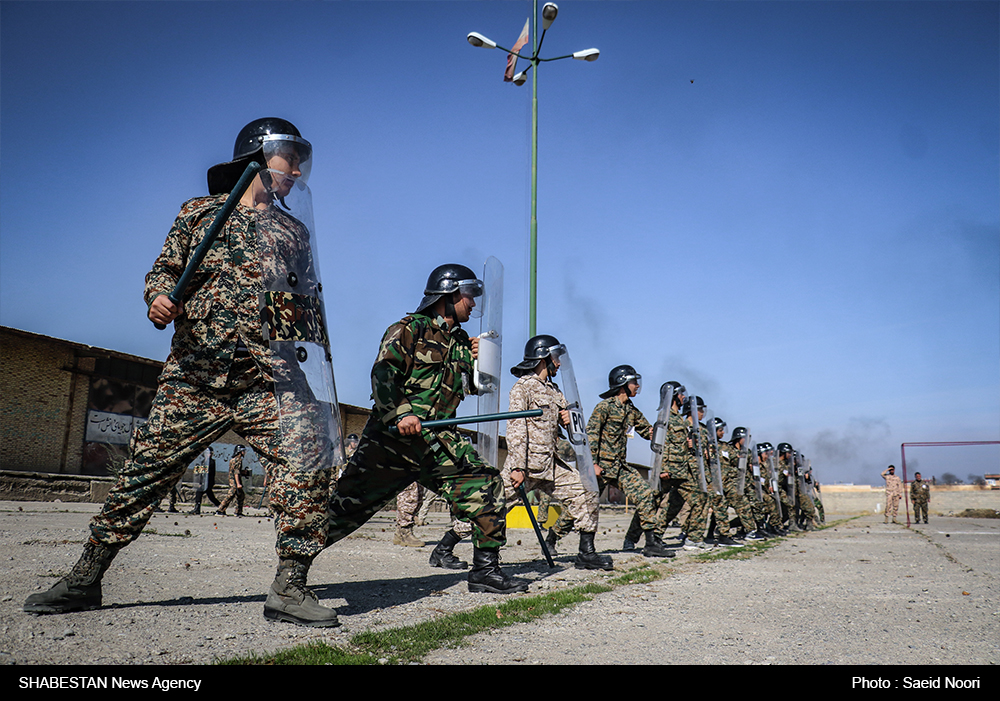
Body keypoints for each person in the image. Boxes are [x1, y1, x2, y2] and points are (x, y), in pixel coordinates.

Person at [24, 118, 341, 628]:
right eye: (290, 157)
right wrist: (157, 299)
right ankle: (84, 579)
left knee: (309, 463)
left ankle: (290, 587)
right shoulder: (199, 215)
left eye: (302, 159)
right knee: (142, 477)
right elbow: (164, 271)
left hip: (267, 379)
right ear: (259, 158)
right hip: (196, 376)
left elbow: (300, 299)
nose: (298, 169)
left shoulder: (292, 230)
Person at [326, 263, 527, 595]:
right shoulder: (409, 329)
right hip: (393, 440)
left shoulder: (462, 342)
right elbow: (383, 374)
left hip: (438, 440)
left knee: (487, 483)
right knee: (342, 511)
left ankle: (485, 572)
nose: (473, 304)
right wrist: (401, 413)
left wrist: (481, 361)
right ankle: (292, 572)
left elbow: (474, 387)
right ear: (448, 295)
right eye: (468, 296)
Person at [504, 335, 612, 570]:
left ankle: (586, 553)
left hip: (551, 465)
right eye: (555, 358)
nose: (559, 364)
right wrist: (516, 467)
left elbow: (575, 422)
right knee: (488, 508)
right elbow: (515, 429)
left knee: (587, 489)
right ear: (543, 359)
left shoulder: (554, 391)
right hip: (526, 466)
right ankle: (446, 547)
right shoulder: (522, 388)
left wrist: (568, 419)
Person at [586, 365, 674, 558]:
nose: (637, 386)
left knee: (645, 495)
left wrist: (655, 433)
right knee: (583, 507)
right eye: (634, 382)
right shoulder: (605, 407)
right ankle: (552, 539)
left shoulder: (631, 410)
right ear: (622, 383)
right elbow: (590, 435)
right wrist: (592, 464)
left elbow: (646, 430)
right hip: (601, 467)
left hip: (619, 468)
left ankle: (651, 543)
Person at [217, 446, 247, 517]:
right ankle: (220, 509)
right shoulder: (238, 460)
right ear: (239, 452)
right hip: (234, 480)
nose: (244, 453)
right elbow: (236, 473)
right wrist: (238, 484)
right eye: (243, 451)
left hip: (233, 479)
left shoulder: (233, 460)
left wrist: (243, 472)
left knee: (241, 495)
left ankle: (238, 511)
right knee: (231, 494)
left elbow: (236, 471)